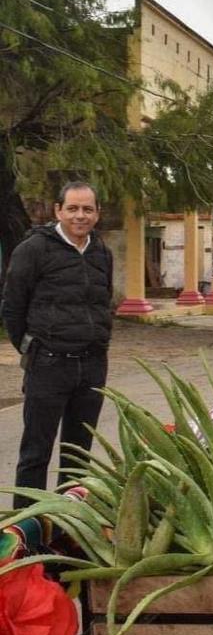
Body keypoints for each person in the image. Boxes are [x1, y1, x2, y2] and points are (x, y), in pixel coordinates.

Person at [1, 182, 113, 507]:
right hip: (48, 363)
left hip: (92, 365)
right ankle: (27, 529)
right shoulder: (34, 249)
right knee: (36, 451)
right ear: (58, 211)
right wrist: (30, 348)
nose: (80, 216)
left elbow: (103, 301)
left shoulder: (101, 252)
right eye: (73, 208)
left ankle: (69, 527)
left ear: (97, 213)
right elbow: (12, 306)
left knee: (77, 455)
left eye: (87, 209)